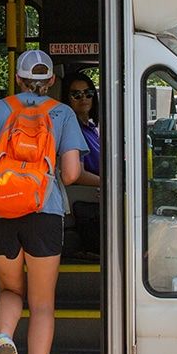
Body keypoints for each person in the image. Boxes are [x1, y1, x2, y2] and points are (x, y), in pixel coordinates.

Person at [0, 50, 84, 354]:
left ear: (18, 79)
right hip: (42, 211)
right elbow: (69, 173)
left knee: (9, 289)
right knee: (41, 304)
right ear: (52, 80)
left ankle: (4, 338)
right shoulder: (63, 113)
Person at [65, 72, 103, 255]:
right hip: (86, 194)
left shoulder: (90, 127)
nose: (84, 98)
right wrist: (107, 184)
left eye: (88, 93)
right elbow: (77, 174)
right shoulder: (71, 128)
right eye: (76, 95)